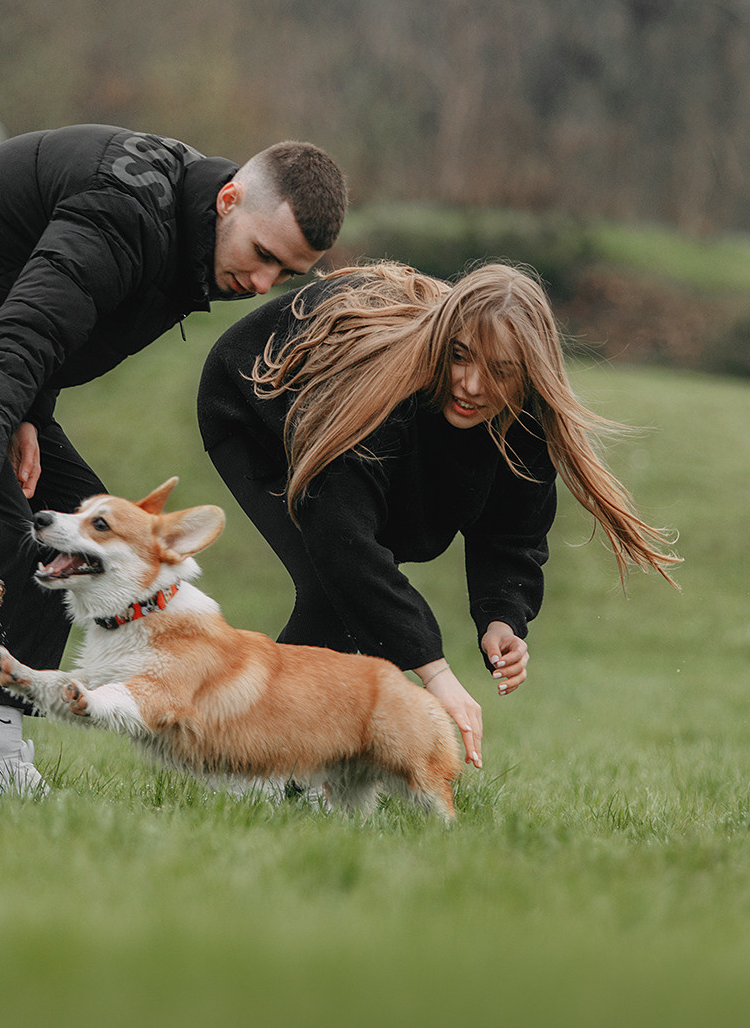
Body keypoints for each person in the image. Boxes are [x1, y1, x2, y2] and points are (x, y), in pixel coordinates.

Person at [0, 126, 346, 793]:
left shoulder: (188, 237)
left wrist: (30, 413)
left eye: (286, 274)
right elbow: (28, 327)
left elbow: (43, 304)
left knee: (75, 532)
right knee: (6, 532)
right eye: (263, 254)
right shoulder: (126, 212)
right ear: (229, 199)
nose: (262, 281)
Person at [196, 262, 679, 770]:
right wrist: (435, 671)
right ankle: (252, 763)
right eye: (460, 356)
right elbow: (344, 540)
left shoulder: (527, 419)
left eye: (499, 370)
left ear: (529, 375)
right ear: (442, 344)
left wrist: (502, 616)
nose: (471, 384)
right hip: (255, 408)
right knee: (334, 585)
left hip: (372, 454)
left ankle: (290, 765)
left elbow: (511, 532)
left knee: (356, 589)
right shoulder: (385, 387)